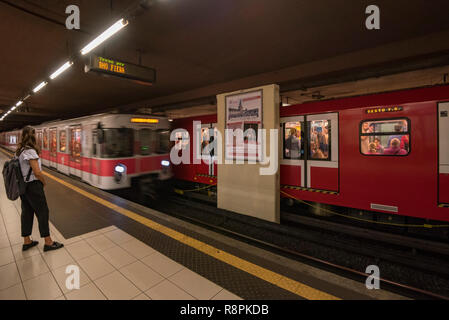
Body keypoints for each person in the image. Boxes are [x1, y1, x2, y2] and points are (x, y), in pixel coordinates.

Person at [16, 126, 64, 252]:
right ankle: (48, 242)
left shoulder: (20, 151)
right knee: (43, 212)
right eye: (36, 134)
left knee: (27, 212)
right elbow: (37, 172)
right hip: (33, 186)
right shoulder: (30, 151)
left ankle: (27, 241)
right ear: (32, 136)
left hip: (24, 187)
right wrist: (43, 182)